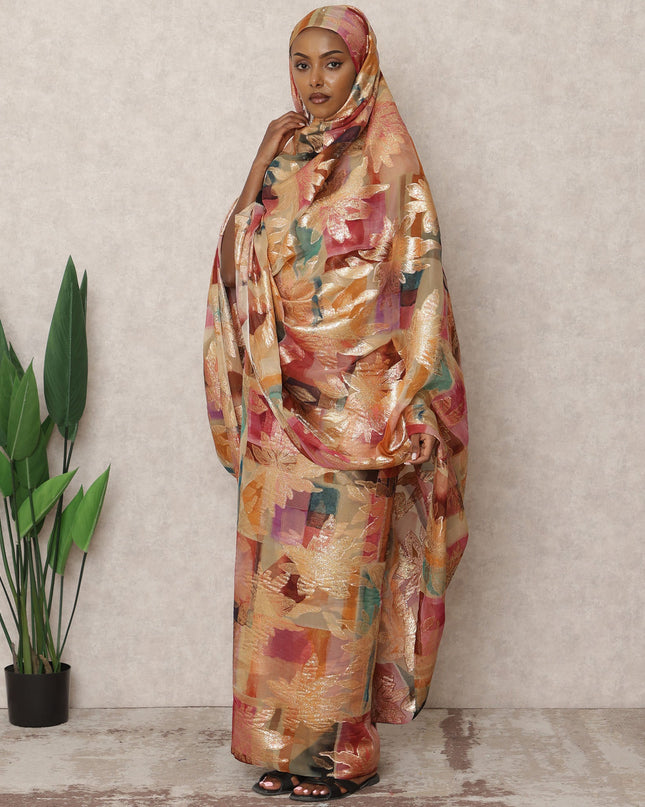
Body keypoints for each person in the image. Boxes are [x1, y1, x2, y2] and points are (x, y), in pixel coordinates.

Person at [204, 5, 468, 801]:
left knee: (340, 590)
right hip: (279, 411)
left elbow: (417, 285)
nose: (314, 80)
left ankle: (343, 754)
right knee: (281, 592)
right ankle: (284, 749)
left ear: (362, 66)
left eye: (331, 63)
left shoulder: (389, 161)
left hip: (361, 414)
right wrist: (259, 160)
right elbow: (235, 258)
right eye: (301, 63)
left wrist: (414, 399)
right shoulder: (286, 156)